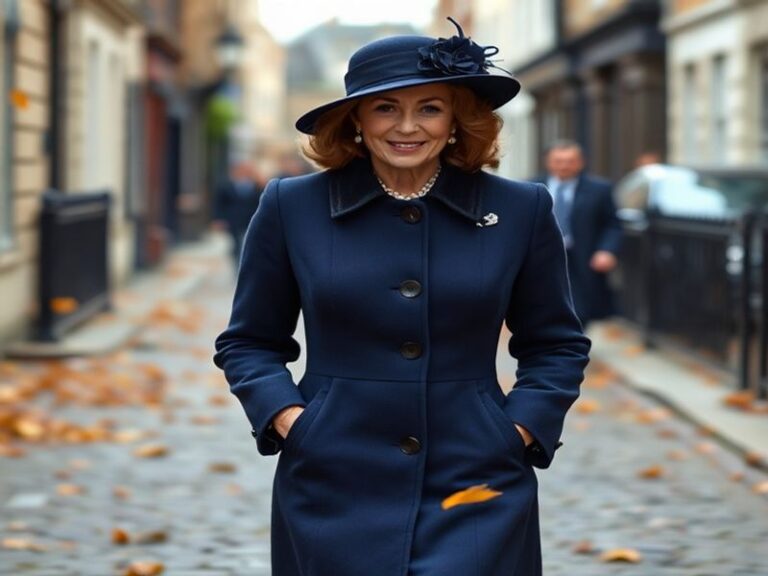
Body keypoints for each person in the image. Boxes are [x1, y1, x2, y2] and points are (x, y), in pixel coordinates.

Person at [214, 19, 590, 576]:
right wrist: (293, 421)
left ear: (456, 119)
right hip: (332, 477)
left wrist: (517, 429)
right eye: (385, 108)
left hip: (477, 479)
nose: (408, 126)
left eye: (430, 108)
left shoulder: (521, 209)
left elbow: (556, 344)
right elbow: (248, 342)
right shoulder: (291, 206)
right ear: (356, 119)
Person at [536, 140, 622, 327]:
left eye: (570, 161)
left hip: (581, 258)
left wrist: (606, 250)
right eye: (559, 161)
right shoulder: (531, 187)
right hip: (542, 256)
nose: (564, 166)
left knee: (579, 312)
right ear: (548, 162)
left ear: (581, 162)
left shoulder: (600, 189)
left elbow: (612, 224)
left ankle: (575, 338)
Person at [213, 161, 264, 265]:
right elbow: (219, 204)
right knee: (236, 245)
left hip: (250, 220)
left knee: (248, 244)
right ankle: (238, 266)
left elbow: (261, 202)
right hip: (233, 221)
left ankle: (245, 264)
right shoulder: (226, 185)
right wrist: (218, 219)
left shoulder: (257, 185)